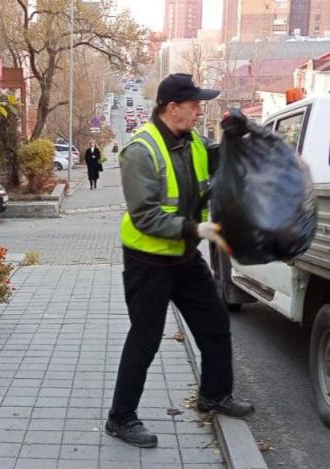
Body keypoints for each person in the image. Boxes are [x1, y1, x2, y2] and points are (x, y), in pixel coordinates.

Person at [106, 73, 255, 448]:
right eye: (194, 106)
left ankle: (214, 395)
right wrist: (197, 231)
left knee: (215, 325)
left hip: (184, 257)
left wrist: (234, 135)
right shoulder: (141, 151)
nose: (198, 111)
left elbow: (218, 165)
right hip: (148, 260)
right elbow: (145, 217)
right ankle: (121, 418)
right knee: (145, 338)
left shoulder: (193, 144)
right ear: (172, 108)